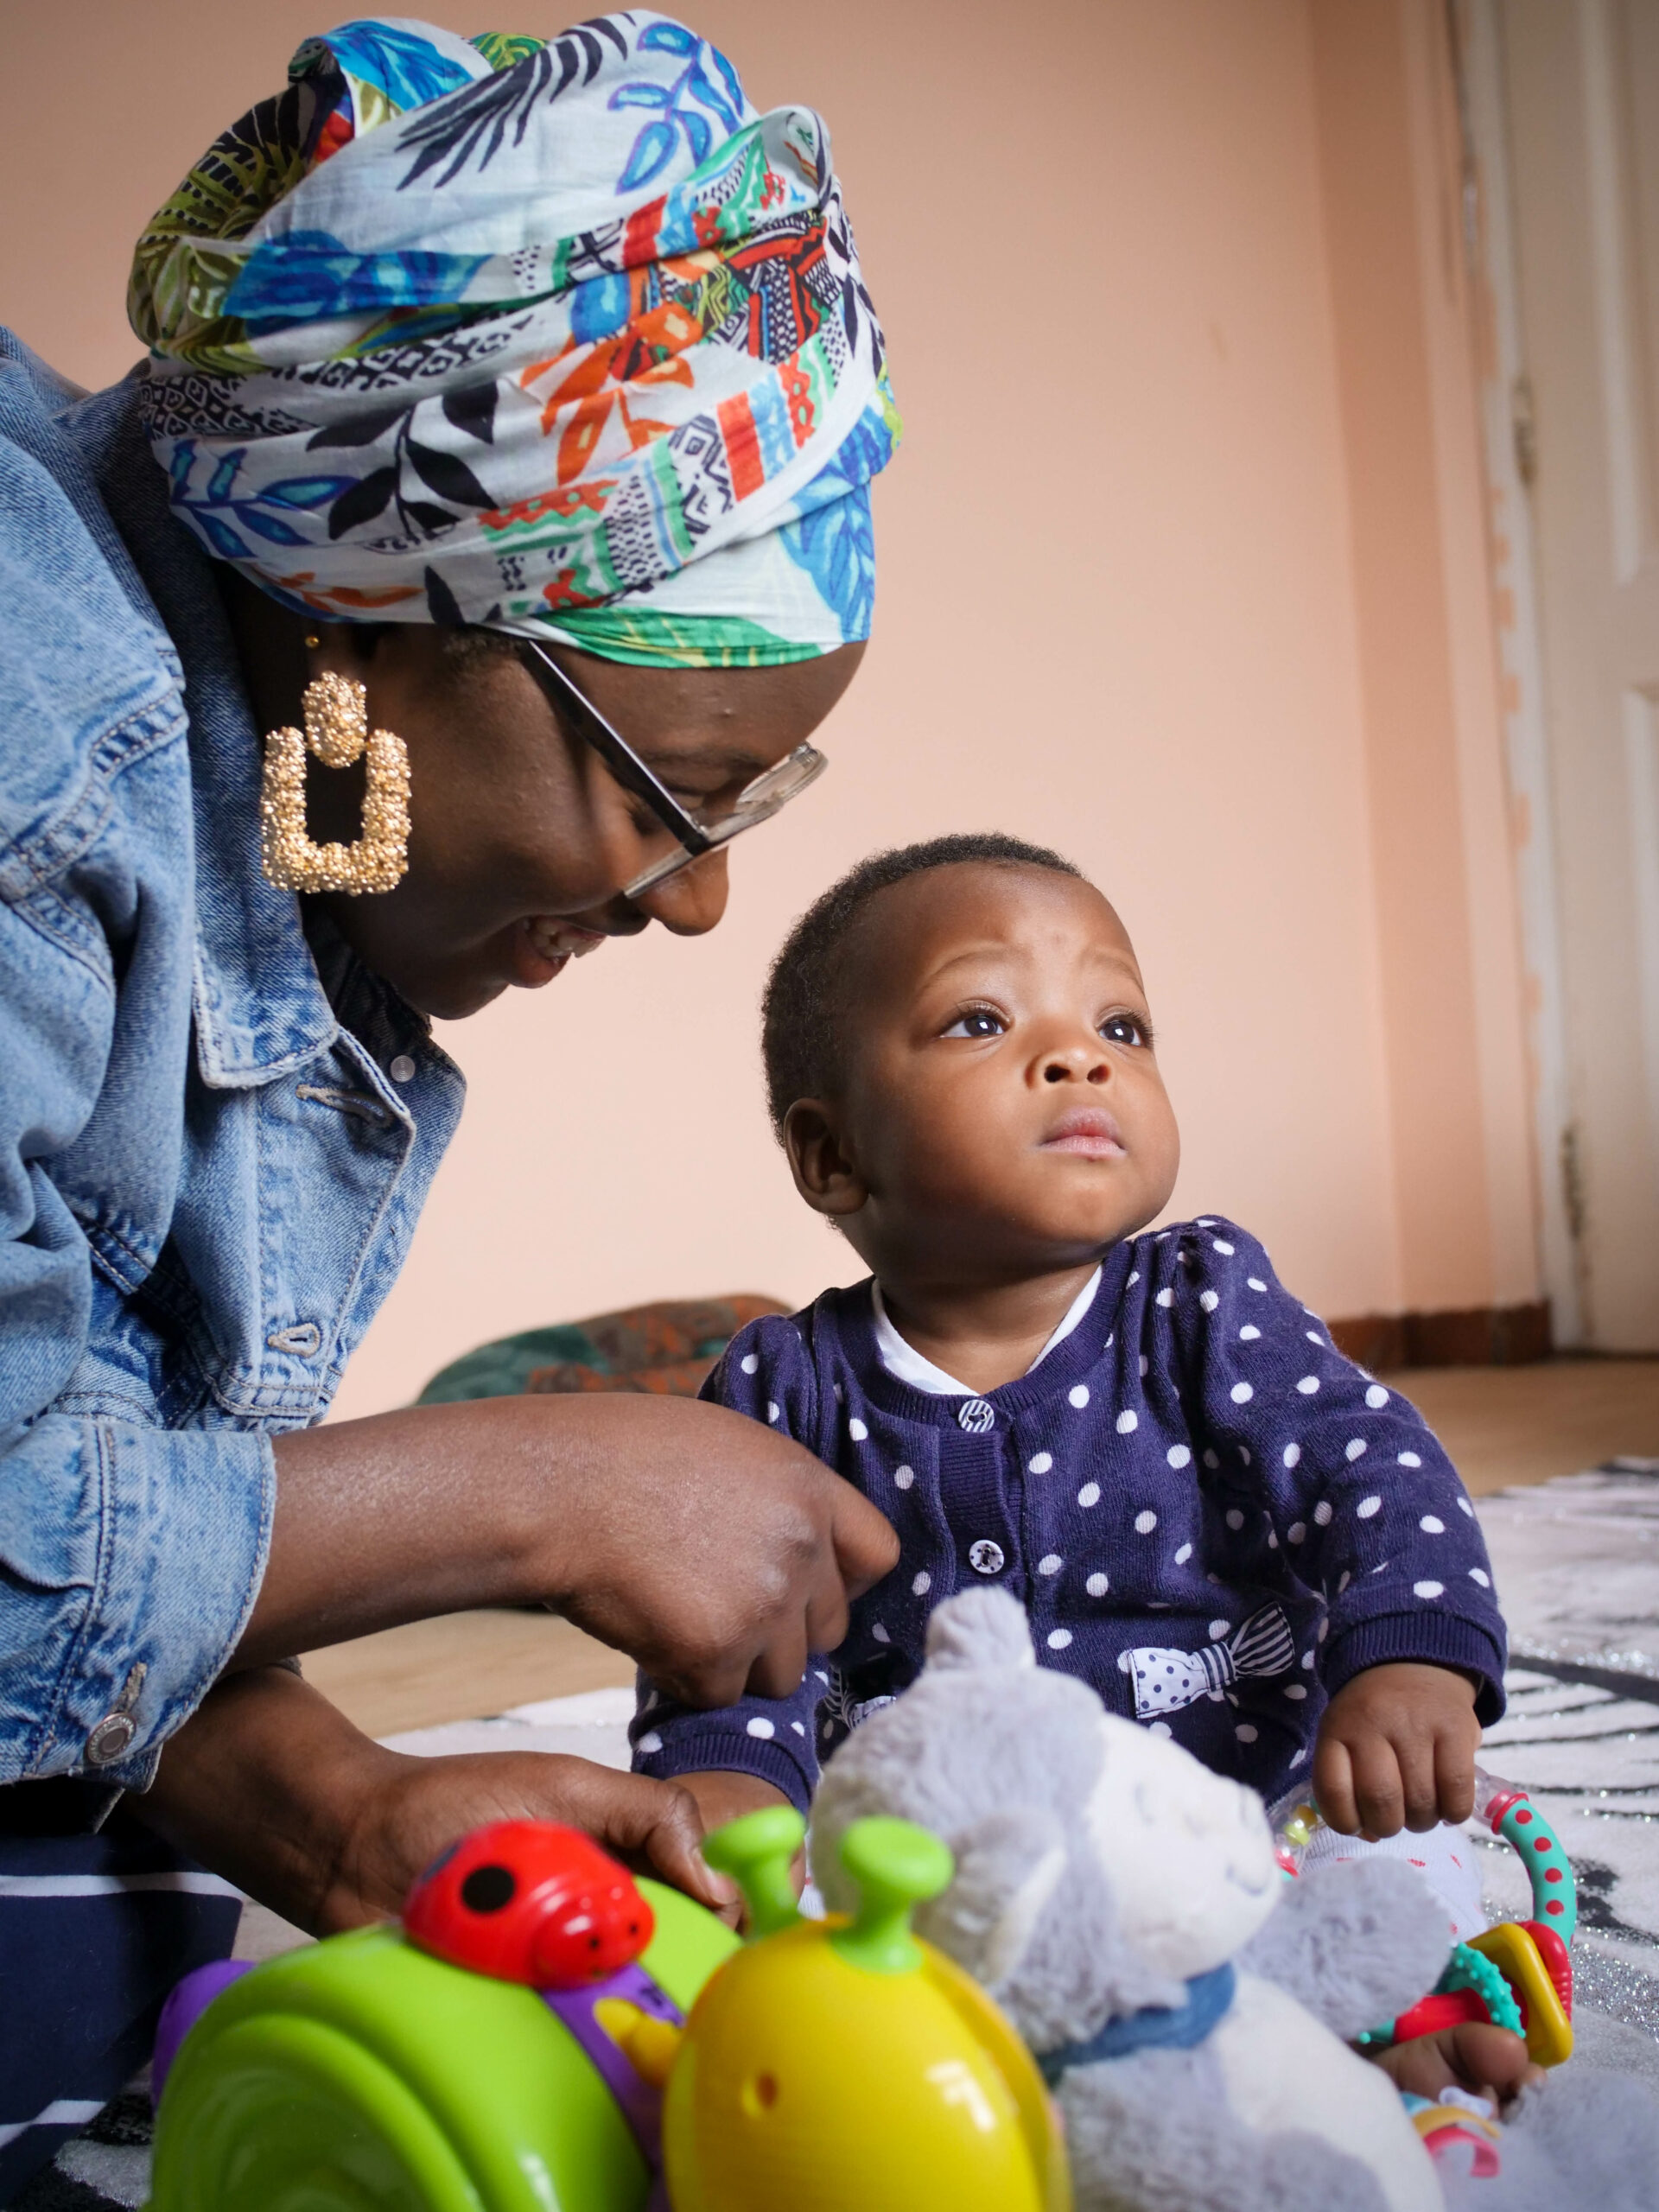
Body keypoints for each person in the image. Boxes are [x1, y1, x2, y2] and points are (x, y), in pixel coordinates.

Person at [0, 16, 901, 2189]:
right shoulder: (34, 761)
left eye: (758, 793)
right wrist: (537, 1487)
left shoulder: (245, 777)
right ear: (364, 631)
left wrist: (326, 1797)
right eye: (671, 791)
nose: (702, 902)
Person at [631, 836, 1514, 1957]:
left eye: (1121, 1027)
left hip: (1248, 1818)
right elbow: (723, 1622)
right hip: (940, 1867)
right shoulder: (784, 1387)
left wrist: (1406, 1655)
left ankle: (1406, 2029)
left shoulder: (1202, 1301)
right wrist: (728, 1777)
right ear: (831, 1153)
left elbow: (1371, 1464)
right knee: (742, 1945)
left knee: (1389, 1860)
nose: (1079, 1059)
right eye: (983, 1021)